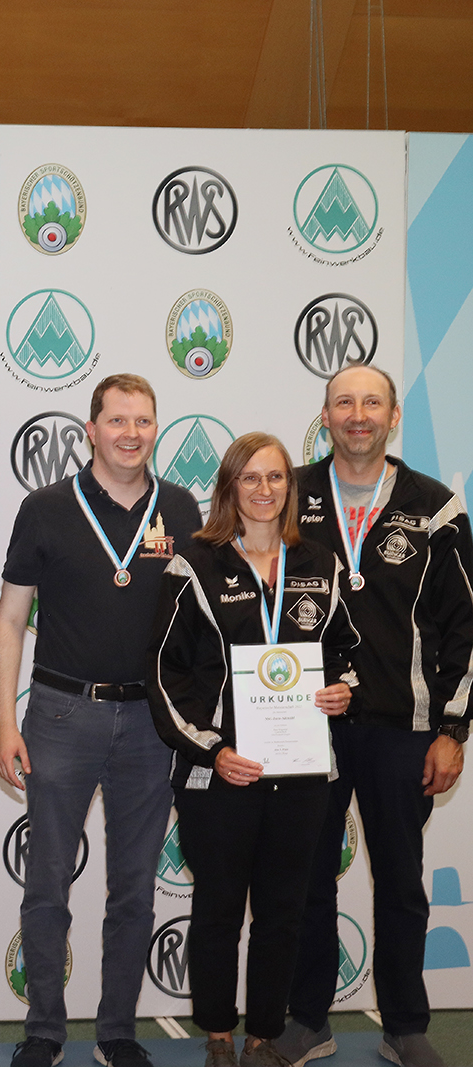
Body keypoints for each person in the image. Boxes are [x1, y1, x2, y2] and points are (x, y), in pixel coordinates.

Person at [0, 373, 201, 1067]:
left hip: (151, 724)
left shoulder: (181, 507)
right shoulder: (46, 507)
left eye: (143, 421)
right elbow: (10, 619)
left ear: (155, 429)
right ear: (91, 430)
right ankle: (44, 1030)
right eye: (117, 420)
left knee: (134, 888)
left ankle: (117, 1032)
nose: (131, 433)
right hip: (61, 712)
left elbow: (202, 623)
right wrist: (4, 723)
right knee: (47, 883)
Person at [278, 365, 472, 1067]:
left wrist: (453, 730)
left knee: (399, 881)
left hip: (402, 728)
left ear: (393, 416)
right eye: (343, 402)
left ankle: (405, 1025)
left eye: (371, 402)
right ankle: (307, 1019)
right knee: (305, 879)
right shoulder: (287, 494)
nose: (357, 414)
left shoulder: (436, 506)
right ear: (325, 415)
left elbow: (464, 626)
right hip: (305, 725)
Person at [149, 433, 357, 1067]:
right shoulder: (194, 563)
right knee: (217, 911)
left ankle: (265, 1035)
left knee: (282, 913)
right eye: (250, 478)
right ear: (229, 488)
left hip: (301, 774)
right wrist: (212, 751)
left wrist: (342, 690)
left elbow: (346, 653)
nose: (264, 490)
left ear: (290, 488)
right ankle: (217, 1034)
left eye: (276, 478)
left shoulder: (320, 562)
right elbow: (166, 674)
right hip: (221, 775)